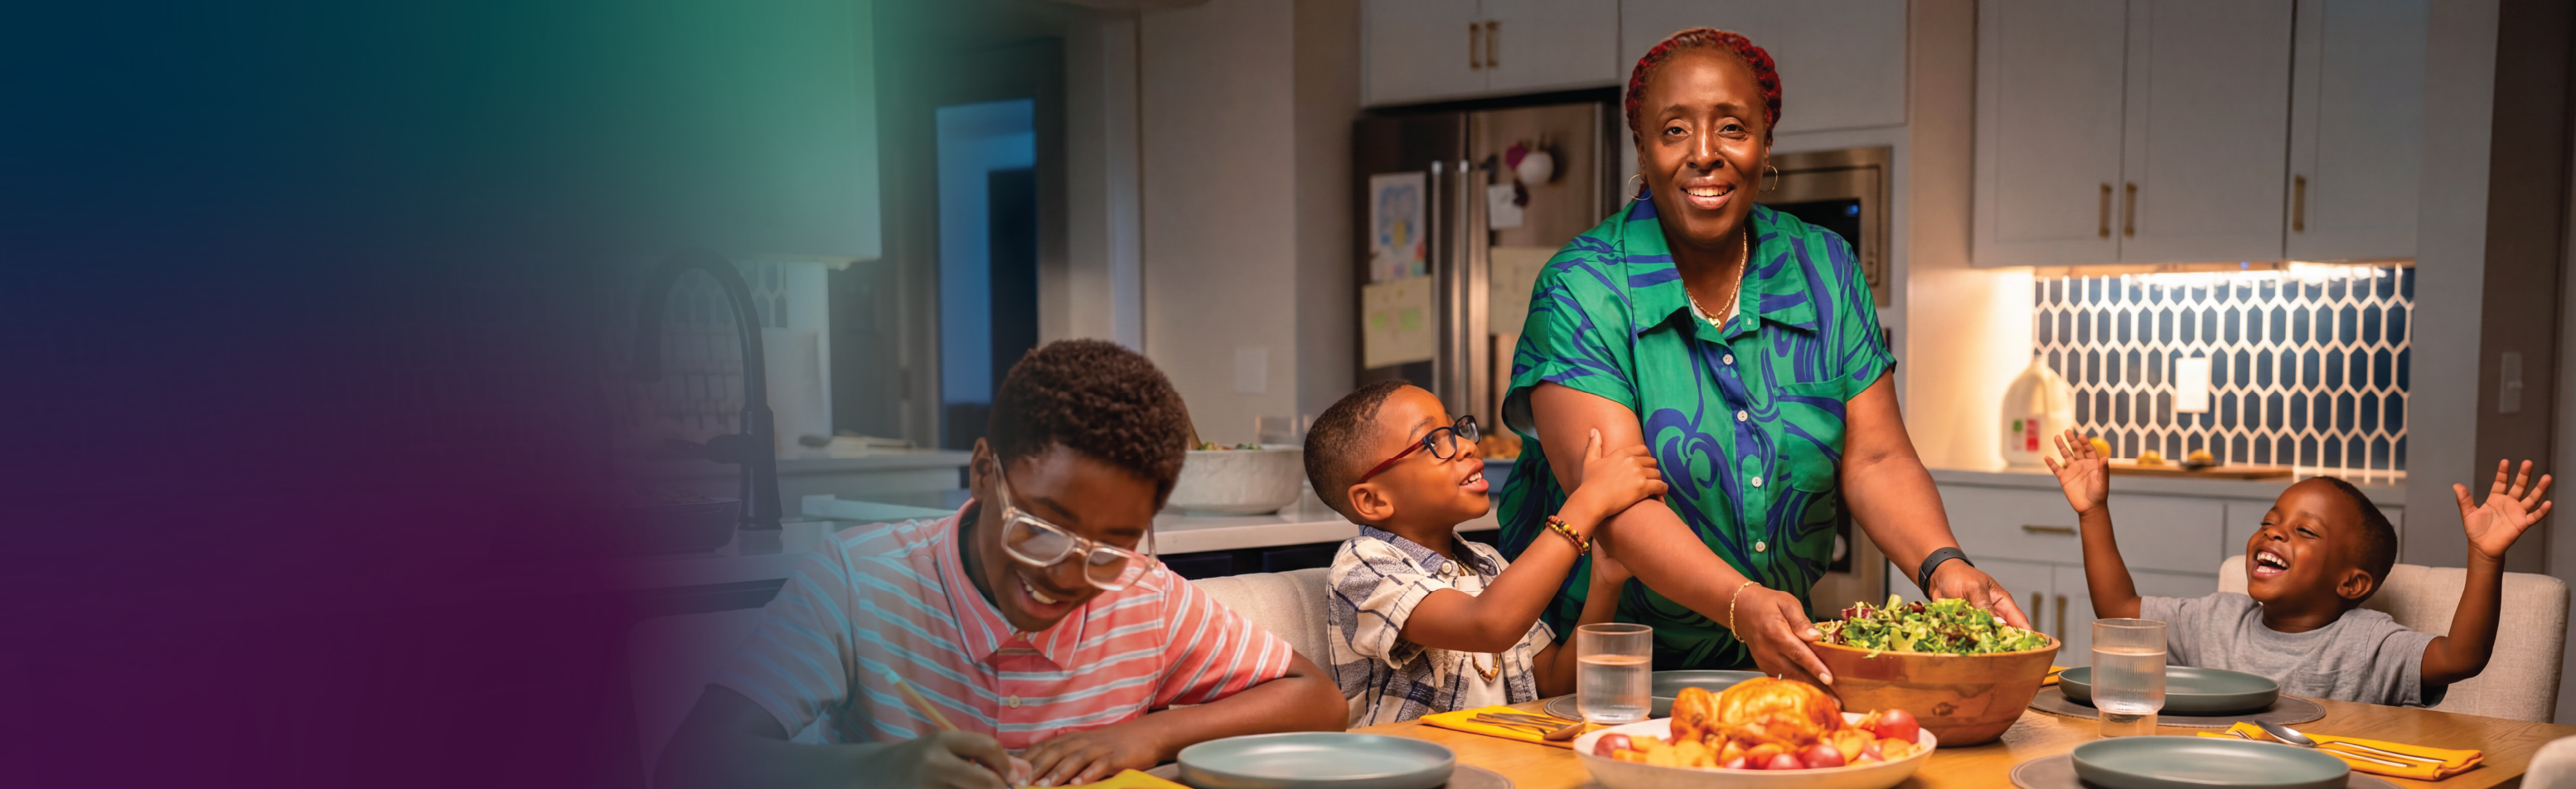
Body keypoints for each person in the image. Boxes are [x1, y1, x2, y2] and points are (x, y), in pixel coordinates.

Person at [1496, 27, 2027, 684]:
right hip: (1597, 671)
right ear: (1642, 147)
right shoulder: (1582, 288)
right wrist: (1740, 603)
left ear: (1767, 143)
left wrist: (1944, 565)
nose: (1704, 155)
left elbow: (1878, 456)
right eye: (1673, 131)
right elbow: (1617, 504)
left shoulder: (1824, 266)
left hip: (1775, 661)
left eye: (1732, 129)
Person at [655, 340, 1346, 789]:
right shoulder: (860, 579)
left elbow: (1318, 698)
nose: (1068, 575)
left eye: (1110, 548)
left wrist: (1148, 733)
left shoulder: (1145, 595)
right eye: (1042, 527)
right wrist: (880, 772)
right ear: (985, 472)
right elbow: (688, 763)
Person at [2043, 428, 2554, 705]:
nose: (2274, 532)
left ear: (2352, 583)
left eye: (2305, 532)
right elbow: (2120, 608)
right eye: (2270, 521)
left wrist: (2486, 558)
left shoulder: (2369, 643)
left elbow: (2460, 657)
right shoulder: (2217, 620)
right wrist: (2093, 511)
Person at [1305, 381, 1666, 724]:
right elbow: (1488, 624)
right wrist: (1588, 502)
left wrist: (1605, 582)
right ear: (1373, 500)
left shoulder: (1487, 562)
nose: (1466, 446)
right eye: (1436, 440)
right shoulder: (1363, 566)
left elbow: (1555, 683)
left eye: (1457, 430)